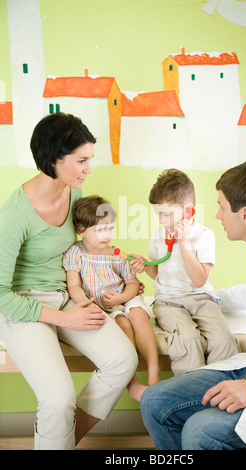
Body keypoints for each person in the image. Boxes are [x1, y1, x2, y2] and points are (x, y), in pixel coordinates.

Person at [0, 112, 138, 450]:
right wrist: (64, 318)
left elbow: (84, 249)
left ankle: (59, 443)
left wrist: (120, 270)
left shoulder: (75, 194)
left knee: (123, 360)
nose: (89, 168)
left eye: (89, 159)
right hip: (23, 305)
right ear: (53, 160)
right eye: (81, 160)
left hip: (66, 296)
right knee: (58, 399)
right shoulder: (15, 215)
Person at [140, 160, 246, 450]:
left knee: (199, 431)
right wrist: (205, 300)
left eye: (222, 207)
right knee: (155, 401)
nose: (217, 215)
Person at [130, 169, 239, 375]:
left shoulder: (205, 236)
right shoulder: (159, 235)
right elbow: (160, 275)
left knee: (224, 341)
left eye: (166, 214)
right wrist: (146, 266)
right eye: (158, 215)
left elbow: (199, 280)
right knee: (187, 340)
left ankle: (217, 388)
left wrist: (184, 243)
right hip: (169, 301)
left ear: (187, 212)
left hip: (200, 298)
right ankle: (192, 395)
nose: (161, 221)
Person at [63, 195, 160, 401]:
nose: (107, 234)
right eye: (100, 229)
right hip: (101, 306)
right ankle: (132, 382)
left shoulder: (116, 253)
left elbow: (133, 282)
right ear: (81, 230)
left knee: (139, 317)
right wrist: (87, 306)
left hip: (123, 297)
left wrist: (121, 297)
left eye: (110, 228)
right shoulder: (75, 253)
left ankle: (154, 373)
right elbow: (74, 286)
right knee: (124, 325)